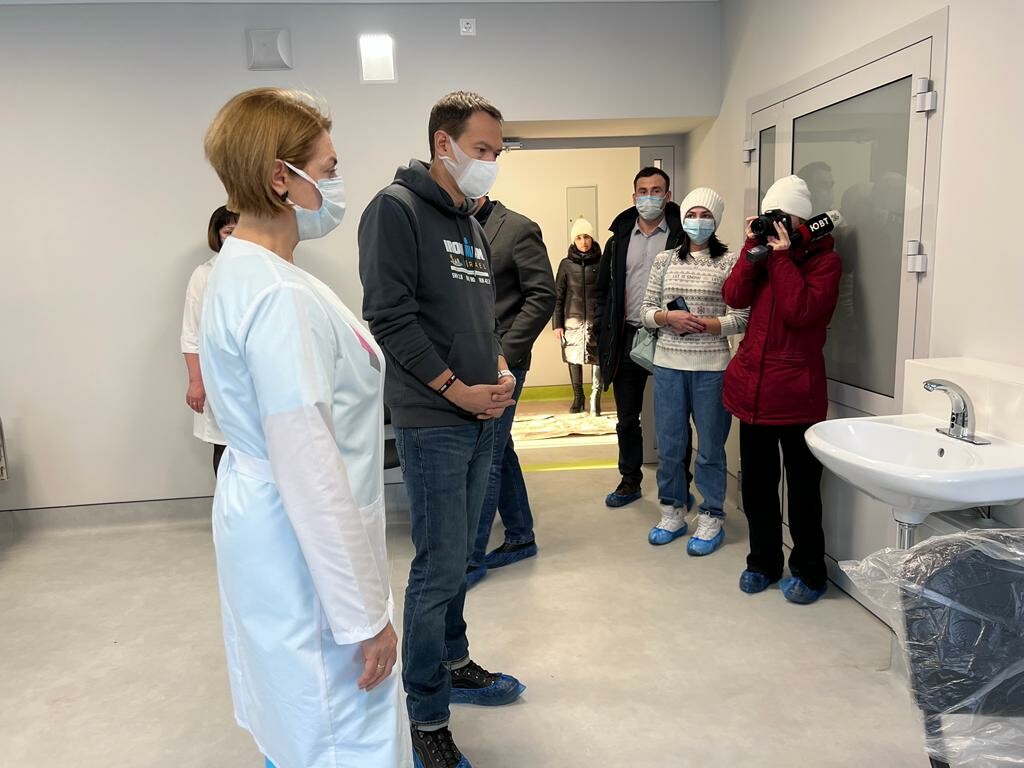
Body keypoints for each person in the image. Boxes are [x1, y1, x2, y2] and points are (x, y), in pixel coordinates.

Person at [199, 88, 411, 768]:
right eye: (328, 167)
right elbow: (311, 471)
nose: (336, 182)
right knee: (340, 728)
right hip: (304, 544)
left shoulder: (241, 270)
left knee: (293, 716)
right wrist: (366, 620)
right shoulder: (280, 298)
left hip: (265, 521)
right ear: (279, 178)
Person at [358, 91, 525, 768]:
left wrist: (501, 369)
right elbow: (389, 318)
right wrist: (457, 389)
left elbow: (482, 320)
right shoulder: (395, 210)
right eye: (481, 149)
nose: (490, 162)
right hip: (434, 421)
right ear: (443, 143)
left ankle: (453, 661)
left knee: (461, 557)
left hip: (481, 416)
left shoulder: (470, 224)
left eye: (496, 152)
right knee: (438, 564)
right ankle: (426, 713)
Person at [722, 174, 842, 605]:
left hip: (797, 397)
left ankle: (810, 572)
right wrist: (749, 250)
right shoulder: (763, 256)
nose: (774, 225)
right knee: (757, 490)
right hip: (754, 392)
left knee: (804, 493)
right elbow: (734, 296)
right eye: (769, 216)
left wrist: (781, 258)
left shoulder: (825, 262)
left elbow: (801, 311)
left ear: (801, 221)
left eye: (782, 217)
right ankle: (763, 563)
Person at [641, 187, 748, 554]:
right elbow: (645, 311)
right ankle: (672, 510)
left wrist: (707, 324)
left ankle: (712, 515)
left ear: (716, 221)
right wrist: (667, 317)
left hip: (712, 369)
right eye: (692, 214)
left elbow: (742, 318)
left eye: (706, 216)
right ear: (682, 217)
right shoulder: (665, 260)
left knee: (710, 449)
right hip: (668, 366)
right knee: (670, 445)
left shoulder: (730, 262)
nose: (698, 221)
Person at [466, 196, 555, 589]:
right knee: (499, 448)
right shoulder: (453, 225)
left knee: (486, 456)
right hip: (469, 360)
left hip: (505, 363)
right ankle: (520, 536)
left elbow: (543, 296)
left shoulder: (518, 228)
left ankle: (470, 560)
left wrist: (506, 352)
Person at [594, 167, 692, 508]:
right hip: (628, 336)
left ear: (667, 196)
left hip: (671, 337)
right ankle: (629, 480)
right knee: (626, 418)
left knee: (676, 419)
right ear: (634, 196)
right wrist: (601, 330)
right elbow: (602, 291)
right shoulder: (618, 240)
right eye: (643, 191)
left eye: (656, 191)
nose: (649, 197)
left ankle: (679, 484)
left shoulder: (683, 237)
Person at [180, 205, 236, 474]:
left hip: (256, 374)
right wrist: (196, 382)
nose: (236, 238)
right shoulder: (204, 275)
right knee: (224, 446)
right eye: (229, 232)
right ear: (217, 235)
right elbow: (191, 332)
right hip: (219, 375)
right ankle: (225, 502)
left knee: (263, 448)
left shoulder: (264, 270)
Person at [553, 217, 602, 416]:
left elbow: (607, 292)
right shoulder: (565, 265)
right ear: (574, 240)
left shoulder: (602, 262)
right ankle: (578, 397)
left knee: (597, 358)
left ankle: (595, 397)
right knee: (573, 358)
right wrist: (557, 324)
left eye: (587, 237)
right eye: (579, 237)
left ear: (592, 238)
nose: (583, 241)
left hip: (596, 320)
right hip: (571, 322)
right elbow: (558, 296)